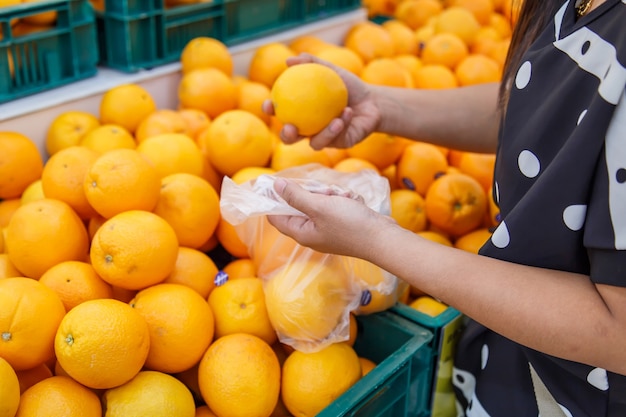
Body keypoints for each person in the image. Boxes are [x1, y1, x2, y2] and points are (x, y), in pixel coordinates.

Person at [261, 0, 626, 415]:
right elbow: (544, 104)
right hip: (506, 361)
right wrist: (379, 105)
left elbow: (619, 331)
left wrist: (378, 240)